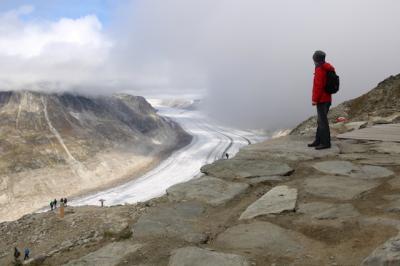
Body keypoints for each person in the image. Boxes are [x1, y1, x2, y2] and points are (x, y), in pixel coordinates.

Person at [308, 50, 335, 150]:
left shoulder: (320, 69)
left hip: (322, 99)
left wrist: (314, 99)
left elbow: (318, 86)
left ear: (316, 59)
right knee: (321, 121)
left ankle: (325, 143)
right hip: (327, 98)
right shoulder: (327, 67)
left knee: (322, 122)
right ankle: (318, 140)